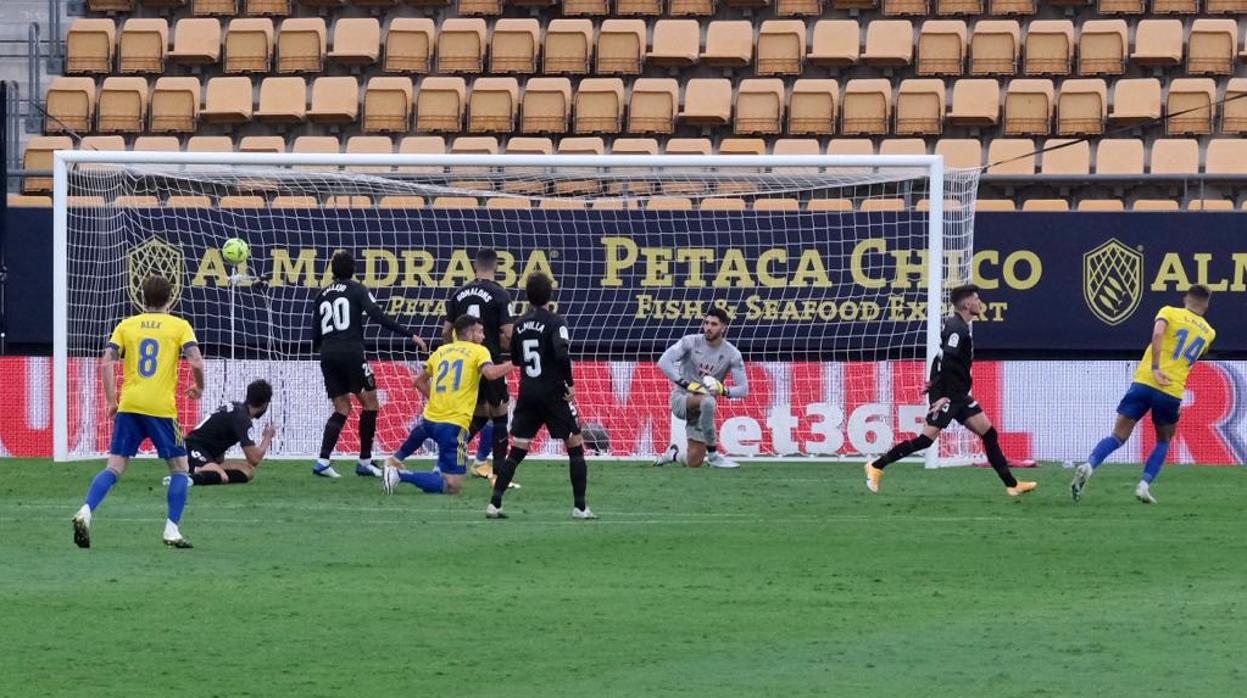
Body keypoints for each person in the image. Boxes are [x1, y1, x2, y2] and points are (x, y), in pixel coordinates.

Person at [864, 284, 1037, 498]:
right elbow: (946, 360)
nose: (979, 302)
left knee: (989, 433)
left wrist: (933, 381)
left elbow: (940, 358)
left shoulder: (959, 326)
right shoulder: (958, 328)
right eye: (976, 298)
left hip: (956, 394)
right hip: (948, 394)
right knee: (925, 440)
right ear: (966, 304)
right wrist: (941, 392)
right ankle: (876, 466)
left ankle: (1012, 485)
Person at [72, 275, 205, 549]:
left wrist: (112, 400)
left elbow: (107, 362)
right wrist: (199, 387)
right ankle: (171, 530)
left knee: (115, 466)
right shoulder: (179, 326)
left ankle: (85, 511)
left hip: (129, 404)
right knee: (181, 469)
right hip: (161, 408)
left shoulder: (126, 325)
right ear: (171, 298)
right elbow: (196, 360)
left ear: (142, 298)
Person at [1072, 285, 1215, 504]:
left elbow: (1158, 333)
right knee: (1164, 439)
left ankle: (1090, 464)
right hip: (1171, 390)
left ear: (1186, 298)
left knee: (1118, 435)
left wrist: (1156, 367)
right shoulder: (1208, 332)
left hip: (1145, 382)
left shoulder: (1169, 311)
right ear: (1206, 304)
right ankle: (1144, 485)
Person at [488, 272, 594, 520]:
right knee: (575, 446)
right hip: (554, 393)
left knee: (518, 449)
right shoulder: (557, 322)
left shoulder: (520, 325)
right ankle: (580, 507)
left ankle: (495, 503)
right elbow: (562, 354)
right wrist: (570, 384)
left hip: (528, 392)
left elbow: (515, 359)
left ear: (528, 296)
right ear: (550, 294)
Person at [311, 250, 426, 479]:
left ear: (332, 271)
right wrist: (409, 334)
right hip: (351, 353)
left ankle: (322, 461)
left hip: (327, 354)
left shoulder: (322, 294)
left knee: (342, 408)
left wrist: (326, 351)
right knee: (371, 404)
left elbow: (315, 334)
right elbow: (378, 316)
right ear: (353, 270)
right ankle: (364, 461)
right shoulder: (357, 289)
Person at [382, 315, 516, 495]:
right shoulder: (479, 351)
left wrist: (436, 399)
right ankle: (399, 474)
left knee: (445, 471)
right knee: (453, 485)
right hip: (454, 425)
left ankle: (404, 463)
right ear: (469, 333)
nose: (483, 336)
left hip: (429, 420)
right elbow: (490, 374)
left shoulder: (441, 351)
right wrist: (514, 363)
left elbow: (418, 381)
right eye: (480, 332)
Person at [444, 249, 514, 482]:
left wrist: (455, 352)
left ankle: (450, 462)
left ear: (475, 266)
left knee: (477, 416)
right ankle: (499, 475)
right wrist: (507, 350)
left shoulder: (459, 293)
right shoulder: (500, 294)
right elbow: (507, 333)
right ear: (496, 267)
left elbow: (446, 331)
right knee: (500, 414)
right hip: (488, 360)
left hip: (465, 364)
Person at [653, 307, 749, 469]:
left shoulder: (732, 354)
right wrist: (685, 383)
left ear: (724, 328)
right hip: (682, 399)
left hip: (702, 411)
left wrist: (723, 390)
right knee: (708, 401)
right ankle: (713, 455)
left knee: (694, 460)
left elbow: (743, 389)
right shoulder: (690, 341)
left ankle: (673, 454)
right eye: (706, 323)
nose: (708, 328)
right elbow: (664, 362)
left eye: (714, 324)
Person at [179, 379, 276, 486]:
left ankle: (203, 472)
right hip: (193, 448)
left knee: (248, 470)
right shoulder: (242, 419)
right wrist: (268, 437)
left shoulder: (236, 408)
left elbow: (215, 433)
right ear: (264, 404)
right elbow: (254, 459)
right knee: (222, 475)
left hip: (200, 450)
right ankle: (189, 478)